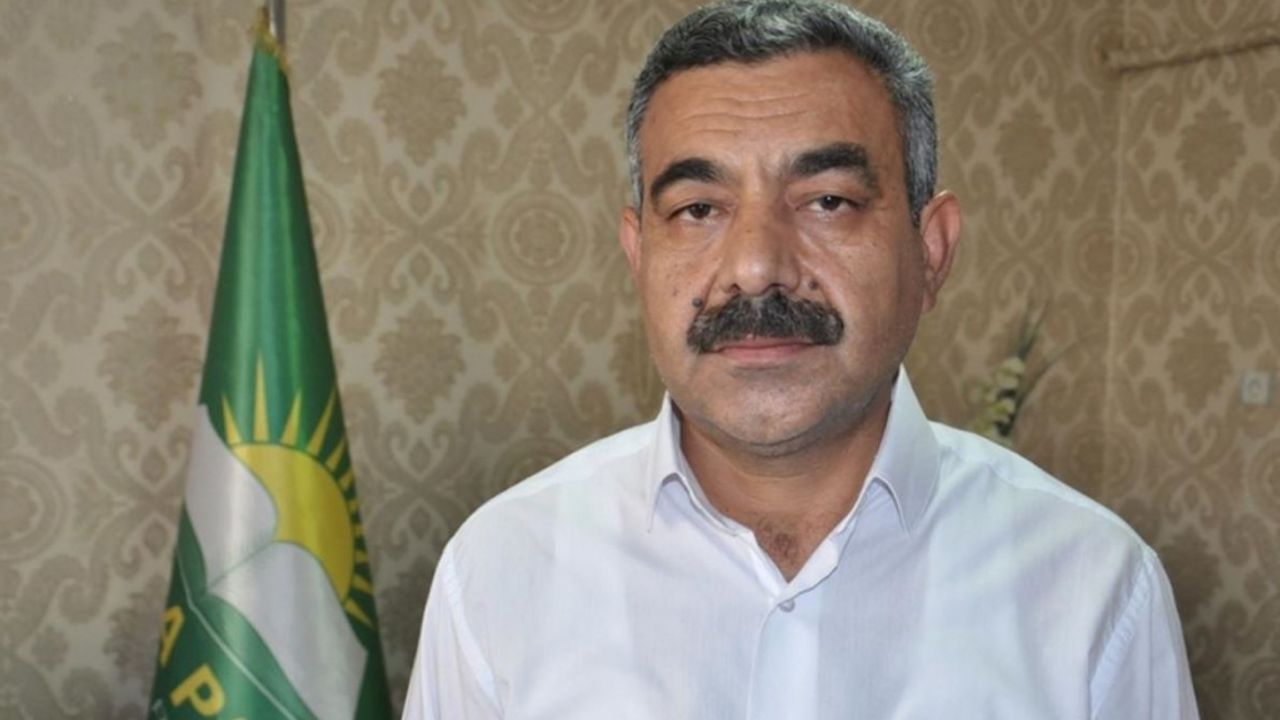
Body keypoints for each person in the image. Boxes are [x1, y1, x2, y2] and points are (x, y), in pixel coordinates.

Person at [402, 1, 1199, 717]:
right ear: (638, 256)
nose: (756, 267)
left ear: (931, 252)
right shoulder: (500, 569)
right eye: (698, 209)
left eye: (827, 201)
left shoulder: (1094, 588)